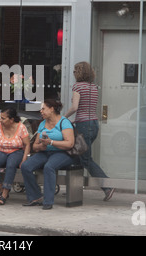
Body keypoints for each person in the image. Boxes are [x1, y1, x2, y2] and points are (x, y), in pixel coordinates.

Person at [65, 61, 115, 201]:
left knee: (86, 159)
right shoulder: (93, 87)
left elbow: (75, 107)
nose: (74, 73)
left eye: (75, 71)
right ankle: (74, 188)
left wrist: (63, 117)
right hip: (93, 125)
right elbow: (87, 109)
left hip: (83, 126)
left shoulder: (77, 86)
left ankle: (107, 186)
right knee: (77, 156)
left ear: (79, 72)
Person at [21, 99, 76, 210]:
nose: (41, 111)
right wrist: (41, 146)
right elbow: (35, 146)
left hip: (62, 153)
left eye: (43, 109)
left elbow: (70, 144)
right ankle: (35, 197)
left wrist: (51, 142)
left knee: (49, 167)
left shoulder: (64, 122)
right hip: (45, 152)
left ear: (51, 109)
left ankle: (48, 201)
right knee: (26, 166)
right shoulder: (42, 124)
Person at [0, 107, 30, 205]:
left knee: (11, 165)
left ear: (11, 120)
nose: (0, 120)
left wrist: (24, 159)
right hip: (2, 151)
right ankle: (1, 187)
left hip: (17, 152)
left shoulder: (21, 127)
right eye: (0, 118)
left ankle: (5, 193)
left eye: (3, 118)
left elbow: (27, 145)